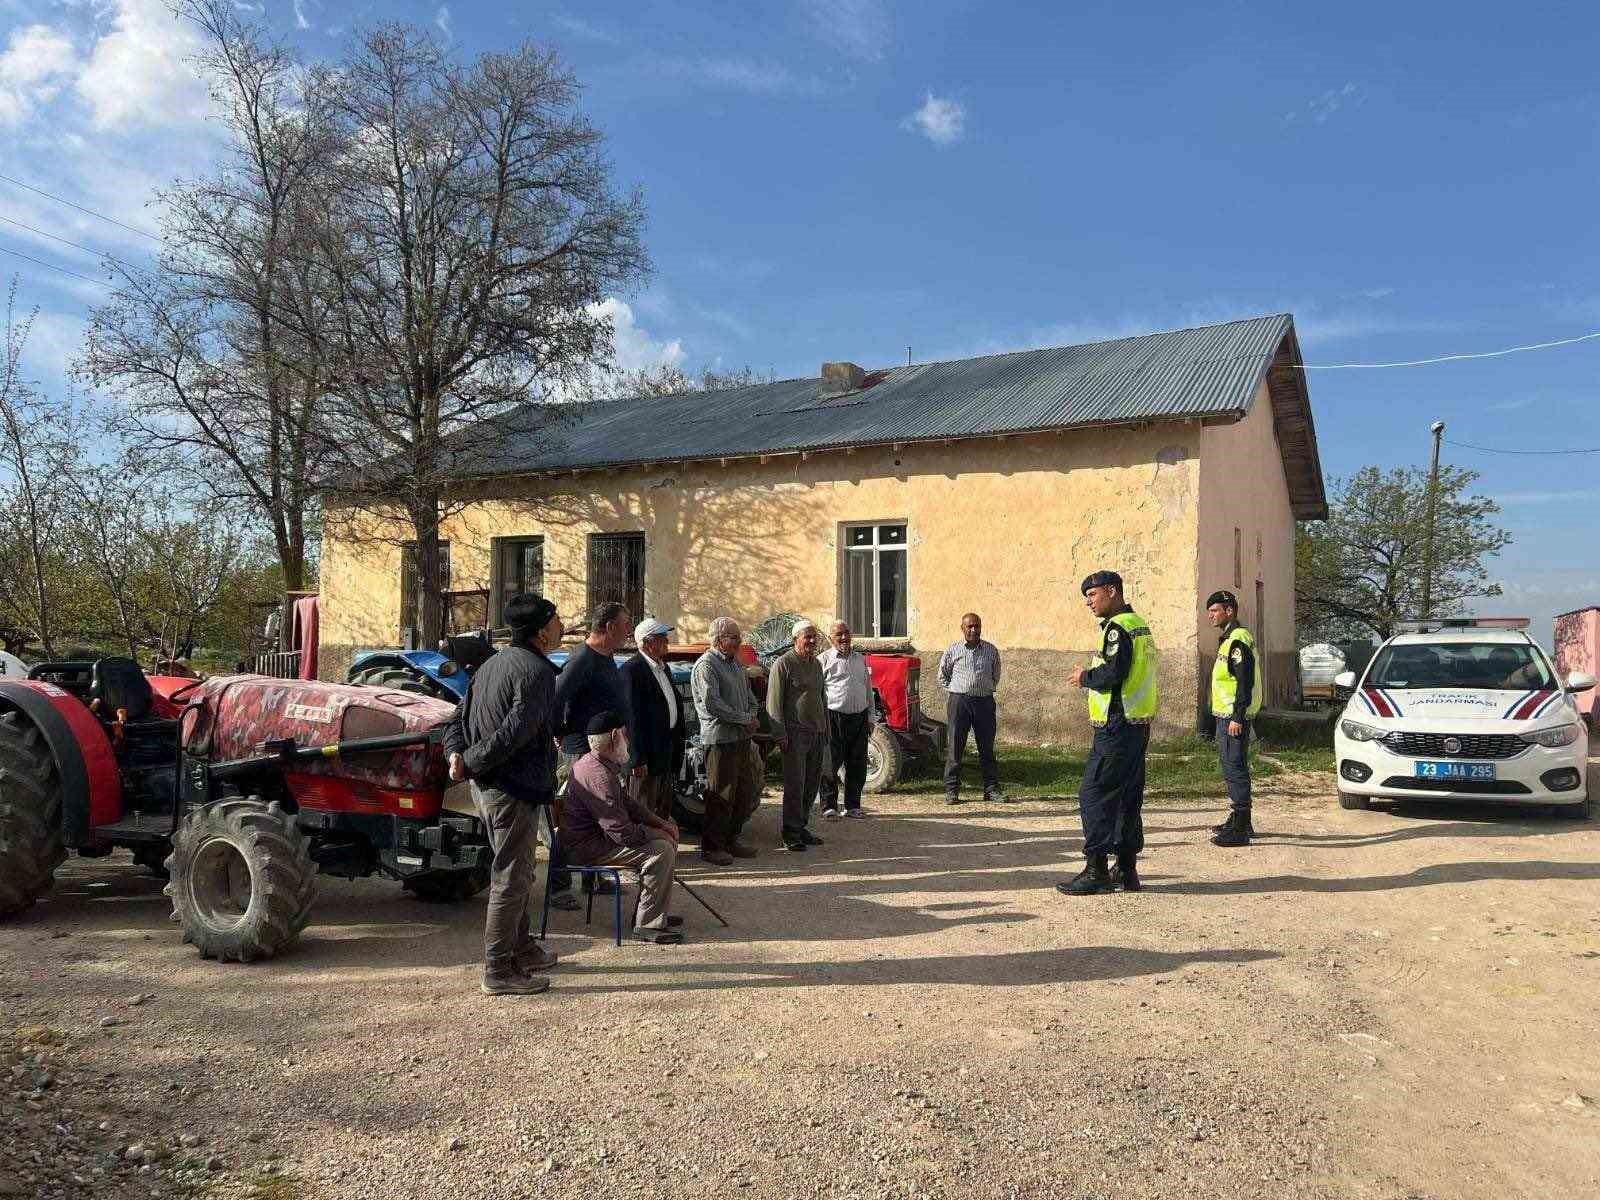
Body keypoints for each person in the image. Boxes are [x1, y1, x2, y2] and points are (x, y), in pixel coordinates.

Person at [442, 593, 564, 996]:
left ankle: (522, 948)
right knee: (511, 877)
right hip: (509, 788)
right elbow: (515, 733)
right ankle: (497, 970)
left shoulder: (492, 664)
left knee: (518, 871)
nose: (563, 628)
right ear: (543, 631)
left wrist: (457, 754)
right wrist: (469, 759)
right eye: (557, 621)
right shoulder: (538, 672)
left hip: (490, 785)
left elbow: (455, 719)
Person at [1058, 571, 1158, 896]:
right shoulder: (1139, 624)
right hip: (1135, 725)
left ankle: (1096, 869)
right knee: (1127, 796)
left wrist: (1085, 676)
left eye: (1093, 594)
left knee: (1095, 794)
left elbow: (1115, 672)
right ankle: (1126, 870)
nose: (1088, 601)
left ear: (1112, 592)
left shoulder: (1118, 629)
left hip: (1117, 725)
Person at [560, 711, 685, 945]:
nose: (628, 740)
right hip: (586, 848)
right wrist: (659, 833)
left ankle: (651, 914)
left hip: (592, 840)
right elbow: (622, 833)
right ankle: (648, 924)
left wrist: (661, 823)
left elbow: (628, 803)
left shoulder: (596, 763)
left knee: (662, 841)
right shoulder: (598, 775)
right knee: (661, 850)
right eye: (625, 735)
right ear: (615, 736)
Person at [548, 601, 633, 908]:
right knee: (574, 821)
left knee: (600, 816)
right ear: (609, 627)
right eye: (625, 625)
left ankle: (593, 877)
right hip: (582, 752)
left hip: (605, 751)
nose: (628, 631)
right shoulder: (582, 659)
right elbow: (556, 699)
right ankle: (557, 886)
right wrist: (562, 734)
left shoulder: (607, 657)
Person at [690, 617, 762, 866]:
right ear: (719, 640)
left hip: (741, 737)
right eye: (734, 637)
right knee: (721, 793)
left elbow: (749, 696)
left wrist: (751, 715)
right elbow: (712, 704)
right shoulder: (706, 665)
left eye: (739, 636)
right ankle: (712, 847)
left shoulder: (735, 665)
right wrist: (744, 719)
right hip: (720, 739)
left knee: (743, 791)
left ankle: (731, 839)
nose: (739, 641)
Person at [767, 619, 829, 851]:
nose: (812, 641)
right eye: (807, 637)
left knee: (811, 784)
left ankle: (801, 826)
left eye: (814, 637)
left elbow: (822, 699)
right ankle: (790, 832)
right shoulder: (783, 665)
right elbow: (773, 704)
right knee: (795, 784)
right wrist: (780, 735)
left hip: (816, 733)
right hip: (794, 735)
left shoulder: (816, 665)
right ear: (796, 640)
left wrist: (826, 730)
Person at [1205, 590, 1261, 848]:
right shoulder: (1230, 638)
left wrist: (1238, 715)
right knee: (1232, 765)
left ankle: (1240, 826)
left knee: (1234, 767)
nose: (1210, 615)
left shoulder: (1237, 640)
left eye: (1215, 610)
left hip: (1232, 717)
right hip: (1227, 715)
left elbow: (1244, 681)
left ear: (1229, 611)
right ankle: (1241, 819)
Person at [938, 613, 1009, 805]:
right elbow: (942, 675)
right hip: (959, 702)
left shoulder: (991, 650)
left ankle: (991, 790)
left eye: (976, 626)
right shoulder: (953, 650)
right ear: (962, 628)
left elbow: (996, 675)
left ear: (981, 627)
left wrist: (982, 689)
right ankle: (952, 790)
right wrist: (957, 691)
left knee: (986, 748)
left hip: (984, 703)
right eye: (969, 626)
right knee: (955, 746)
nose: (973, 630)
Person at [622, 617, 687, 822]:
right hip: (646, 758)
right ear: (648, 643)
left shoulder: (663, 668)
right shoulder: (632, 671)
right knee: (643, 809)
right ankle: (645, 852)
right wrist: (636, 758)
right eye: (662, 638)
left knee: (662, 808)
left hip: (665, 752)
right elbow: (631, 718)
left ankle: (663, 850)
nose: (667, 641)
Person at [817, 620, 872, 819]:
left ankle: (853, 806)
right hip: (833, 718)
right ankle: (828, 806)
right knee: (830, 762)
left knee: (857, 763)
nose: (844, 638)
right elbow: (818, 692)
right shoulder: (823, 660)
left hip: (859, 717)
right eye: (839, 634)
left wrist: (871, 717)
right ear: (831, 638)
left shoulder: (859, 659)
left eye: (847, 633)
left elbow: (868, 689)